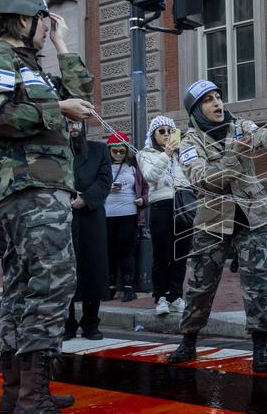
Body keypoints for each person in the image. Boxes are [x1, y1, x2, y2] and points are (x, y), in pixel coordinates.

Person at [0, 0, 94, 414]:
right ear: (22, 19)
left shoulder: (28, 65)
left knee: (22, 283)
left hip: (41, 183)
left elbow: (82, 96)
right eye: (43, 21)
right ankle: (32, 399)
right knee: (54, 281)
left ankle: (17, 388)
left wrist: (62, 46)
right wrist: (56, 110)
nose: (46, 28)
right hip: (26, 183)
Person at [168, 80, 267, 373]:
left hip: (252, 217)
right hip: (212, 222)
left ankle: (260, 346)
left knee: (256, 285)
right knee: (200, 286)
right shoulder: (189, 143)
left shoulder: (239, 126)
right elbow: (203, 178)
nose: (217, 103)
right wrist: (232, 153)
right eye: (208, 100)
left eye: (218, 97)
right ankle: (188, 341)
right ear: (196, 109)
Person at [137, 115, 195, 317]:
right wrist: (166, 154)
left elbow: (192, 177)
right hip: (161, 205)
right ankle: (160, 296)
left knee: (181, 254)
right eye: (161, 131)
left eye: (170, 131)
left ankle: (176, 295)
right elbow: (150, 176)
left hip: (183, 205)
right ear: (153, 134)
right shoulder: (145, 154)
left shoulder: (182, 154)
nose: (166, 134)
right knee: (162, 254)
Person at [64, 120, 111, 341]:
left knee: (94, 268)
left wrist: (86, 198)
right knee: (65, 270)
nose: (73, 127)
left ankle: (91, 323)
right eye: (68, 123)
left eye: (76, 123)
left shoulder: (99, 150)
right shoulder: (56, 152)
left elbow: (104, 180)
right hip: (63, 216)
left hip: (92, 216)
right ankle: (67, 323)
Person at [104, 132, 148, 303]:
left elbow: (146, 189)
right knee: (109, 251)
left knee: (126, 251)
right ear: (109, 151)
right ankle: (110, 287)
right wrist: (107, 188)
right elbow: (94, 186)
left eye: (122, 151)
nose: (118, 154)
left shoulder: (134, 168)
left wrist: (142, 200)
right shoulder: (103, 167)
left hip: (129, 214)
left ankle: (129, 288)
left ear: (127, 151)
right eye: (115, 151)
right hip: (107, 214)